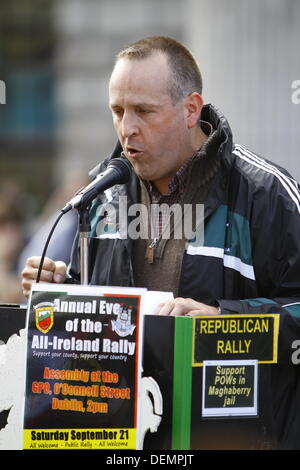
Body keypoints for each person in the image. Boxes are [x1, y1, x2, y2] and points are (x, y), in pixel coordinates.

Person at [21, 35, 300, 320]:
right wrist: (59, 292)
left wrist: (223, 319)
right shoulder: (103, 194)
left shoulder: (266, 193)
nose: (127, 128)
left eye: (144, 111)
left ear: (191, 110)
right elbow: (95, 329)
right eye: (118, 111)